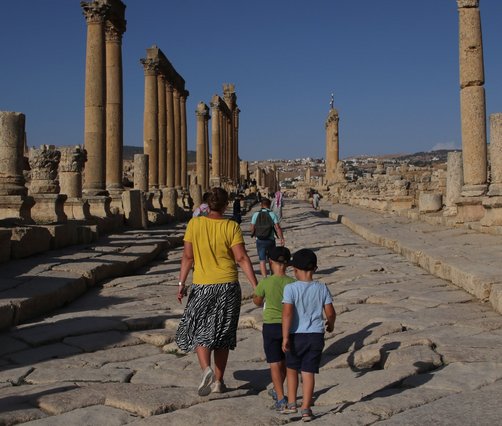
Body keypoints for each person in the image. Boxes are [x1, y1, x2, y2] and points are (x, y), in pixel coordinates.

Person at [175, 187, 258, 397]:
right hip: (228, 285)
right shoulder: (231, 226)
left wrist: (181, 284)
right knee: (223, 334)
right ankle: (219, 381)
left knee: (200, 330)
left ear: (207, 204)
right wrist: (257, 285)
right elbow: (241, 258)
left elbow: (187, 257)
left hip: (202, 285)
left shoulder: (194, 224)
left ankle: (206, 369)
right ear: (226, 205)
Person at [281, 249, 336, 422]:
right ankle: (306, 408)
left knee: (291, 369)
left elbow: (287, 314)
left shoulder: (290, 288)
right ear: (316, 268)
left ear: (295, 270)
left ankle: (291, 404)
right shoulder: (322, 287)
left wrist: (285, 337)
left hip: (296, 335)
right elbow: (330, 312)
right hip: (315, 336)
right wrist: (331, 324)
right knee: (308, 372)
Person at [252, 246, 295, 411]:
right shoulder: (293, 283)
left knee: (274, 362)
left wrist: (259, 297)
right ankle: (279, 392)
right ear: (287, 264)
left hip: (271, 325)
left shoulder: (266, 282)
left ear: (270, 262)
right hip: (289, 327)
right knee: (285, 362)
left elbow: (257, 301)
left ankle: (280, 397)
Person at [250, 198, 285, 277]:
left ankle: (265, 278)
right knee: (271, 259)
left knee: (262, 260)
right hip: (270, 240)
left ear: (261, 205)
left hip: (260, 240)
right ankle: (272, 275)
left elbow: (252, 228)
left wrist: (255, 234)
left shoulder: (256, 214)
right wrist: (281, 238)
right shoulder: (272, 214)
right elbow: (278, 227)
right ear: (269, 205)